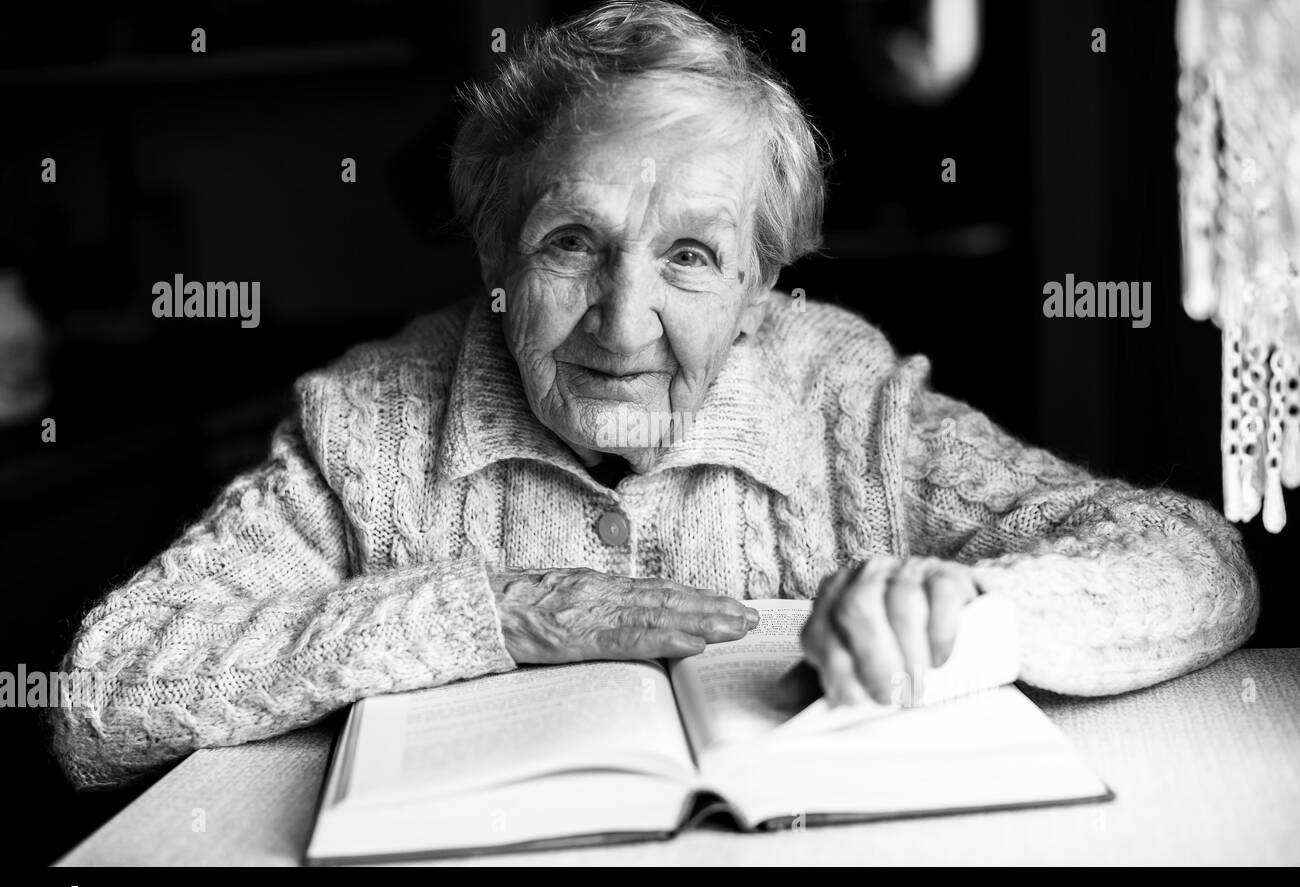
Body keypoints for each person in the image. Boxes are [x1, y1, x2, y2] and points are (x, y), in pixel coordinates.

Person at [53, 0, 1259, 790]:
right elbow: (101, 697)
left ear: (757, 287)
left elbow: (1196, 564)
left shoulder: (842, 399)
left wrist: (970, 617)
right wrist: (498, 611)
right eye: (572, 242)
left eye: (690, 256)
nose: (625, 324)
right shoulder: (372, 424)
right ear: (495, 255)